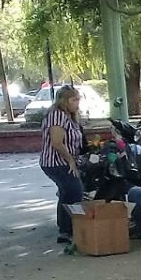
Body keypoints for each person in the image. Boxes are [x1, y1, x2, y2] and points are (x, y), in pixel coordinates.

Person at [39, 85, 85, 244]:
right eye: (74, 99)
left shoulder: (70, 116)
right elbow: (57, 142)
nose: (77, 102)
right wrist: (70, 160)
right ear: (64, 101)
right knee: (74, 190)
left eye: (78, 99)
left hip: (65, 161)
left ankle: (65, 230)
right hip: (56, 162)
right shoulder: (57, 115)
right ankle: (67, 228)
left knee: (67, 192)